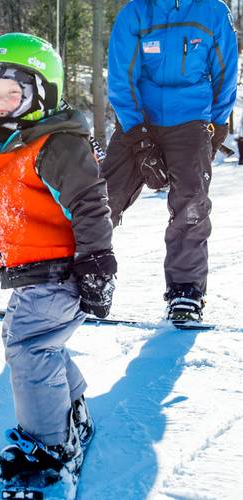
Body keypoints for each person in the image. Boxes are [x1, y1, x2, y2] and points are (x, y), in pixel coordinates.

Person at [0, 33, 116, 486]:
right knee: (37, 343)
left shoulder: (55, 145)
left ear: (41, 95)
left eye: (13, 93)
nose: (0, 104)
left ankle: (49, 449)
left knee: (30, 347)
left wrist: (98, 264)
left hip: (60, 271)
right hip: (31, 274)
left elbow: (90, 204)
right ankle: (72, 410)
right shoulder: (1, 149)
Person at [102, 0, 238, 324]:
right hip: (138, 119)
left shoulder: (213, 12)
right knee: (99, 198)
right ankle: (79, 276)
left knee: (191, 204)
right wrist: (137, 136)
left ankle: (186, 291)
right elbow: (121, 77)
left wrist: (217, 125)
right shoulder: (135, 13)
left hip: (190, 119)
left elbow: (225, 72)